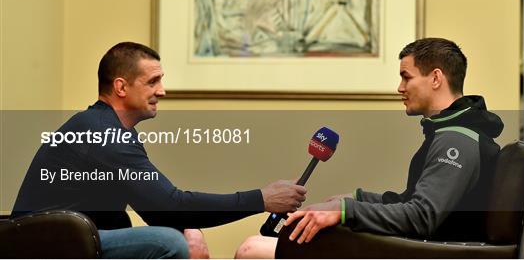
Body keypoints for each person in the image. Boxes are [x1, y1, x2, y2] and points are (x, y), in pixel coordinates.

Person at [12, 42, 307, 259]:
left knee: (174, 234)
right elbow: (171, 205)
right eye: (153, 81)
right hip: (45, 246)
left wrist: (189, 227)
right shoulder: (103, 135)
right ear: (121, 87)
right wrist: (262, 199)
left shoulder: (107, 129)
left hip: (70, 240)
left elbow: (158, 209)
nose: (162, 91)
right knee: (169, 243)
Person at [235, 37, 503, 258]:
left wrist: (344, 212)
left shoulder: (457, 140)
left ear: (435, 78)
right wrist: (352, 199)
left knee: (252, 250)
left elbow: (422, 217)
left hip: (425, 251)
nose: (400, 87)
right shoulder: (452, 133)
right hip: (417, 246)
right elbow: (412, 203)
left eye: (406, 77)